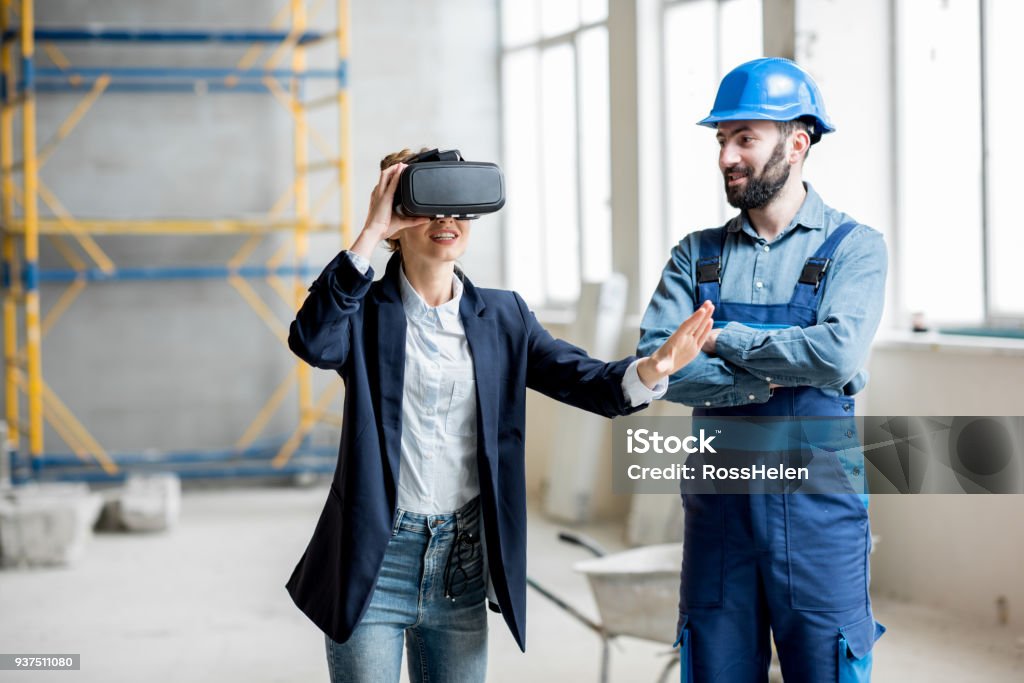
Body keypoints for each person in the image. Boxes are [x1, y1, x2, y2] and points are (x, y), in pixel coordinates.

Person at [286, 148, 716, 683]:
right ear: (397, 221)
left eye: (460, 209)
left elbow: (586, 381)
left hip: (461, 564)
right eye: (429, 206)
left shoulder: (504, 316)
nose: (447, 221)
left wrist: (653, 369)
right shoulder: (364, 312)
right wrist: (370, 231)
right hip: (375, 560)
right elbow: (312, 341)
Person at [638, 58, 888, 682]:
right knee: (714, 667)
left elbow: (837, 354)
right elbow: (657, 364)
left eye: (744, 138)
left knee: (827, 667)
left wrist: (723, 337)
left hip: (817, 515)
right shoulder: (696, 255)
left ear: (797, 143)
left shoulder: (854, 248)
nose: (726, 155)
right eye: (721, 140)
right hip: (721, 515)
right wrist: (774, 372)